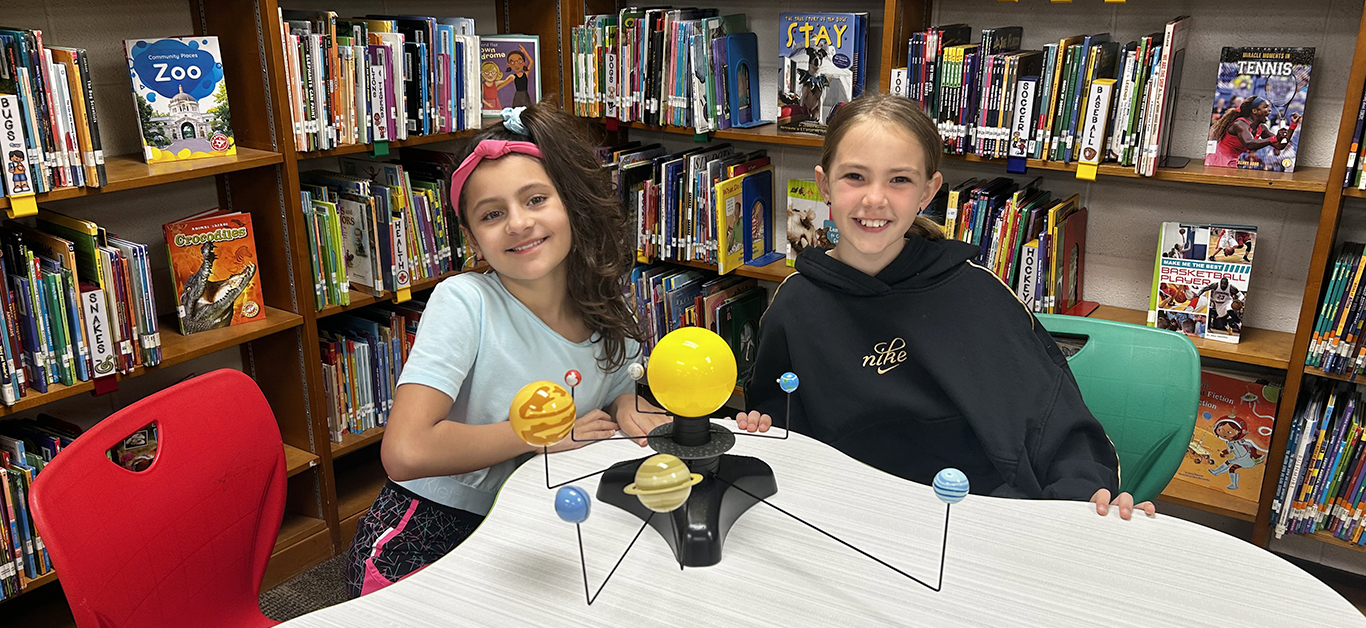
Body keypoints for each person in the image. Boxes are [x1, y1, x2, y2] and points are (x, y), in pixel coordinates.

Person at [734, 93, 1151, 519]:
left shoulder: (976, 294)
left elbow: (1058, 427)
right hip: (852, 516)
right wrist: (760, 430)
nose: (875, 199)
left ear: (928, 191)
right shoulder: (795, 306)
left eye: (899, 180)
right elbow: (782, 432)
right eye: (855, 176)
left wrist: (1084, 503)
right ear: (824, 185)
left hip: (983, 516)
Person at [344, 104, 669, 597]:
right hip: (424, 536)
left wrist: (624, 403)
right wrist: (537, 435)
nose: (518, 223)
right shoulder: (464, 302)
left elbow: (612, 386)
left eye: (536, 199)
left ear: (573, 204)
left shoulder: (606, 305)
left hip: (528, 525)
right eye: (492, 214)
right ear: (473, 238)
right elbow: (405, 451)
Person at [1206, 96, 1289, 168]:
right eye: (1265, 107)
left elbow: (1279, 145)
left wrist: (1292, 126)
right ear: (1255, 111)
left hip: (1233, 160)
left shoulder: (1262, 128)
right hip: (1217, 159)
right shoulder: (1240, 124)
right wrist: (1274, 138)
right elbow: (1249, 143)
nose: (1270, 110)